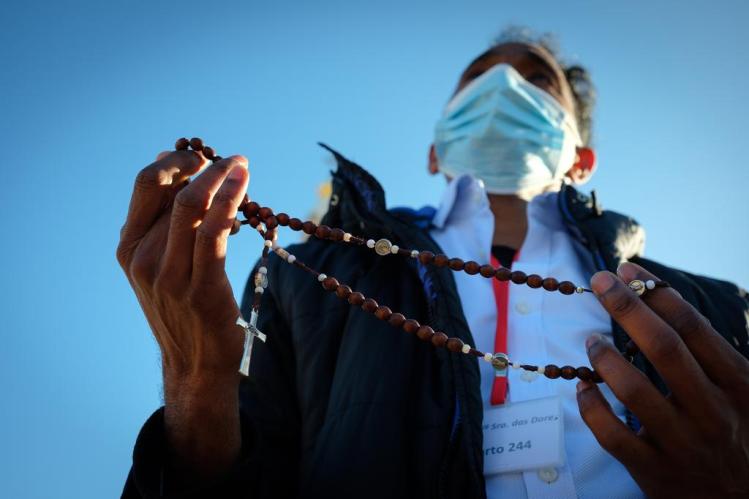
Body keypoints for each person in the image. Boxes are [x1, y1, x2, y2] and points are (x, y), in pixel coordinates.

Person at [118, 29, 749, 499]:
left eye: (537, 81)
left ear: (581, 159)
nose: (502, 87)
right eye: (477, 80)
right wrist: (196, 386)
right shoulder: (309, 280)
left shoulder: (713, 310)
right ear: (434, 150)